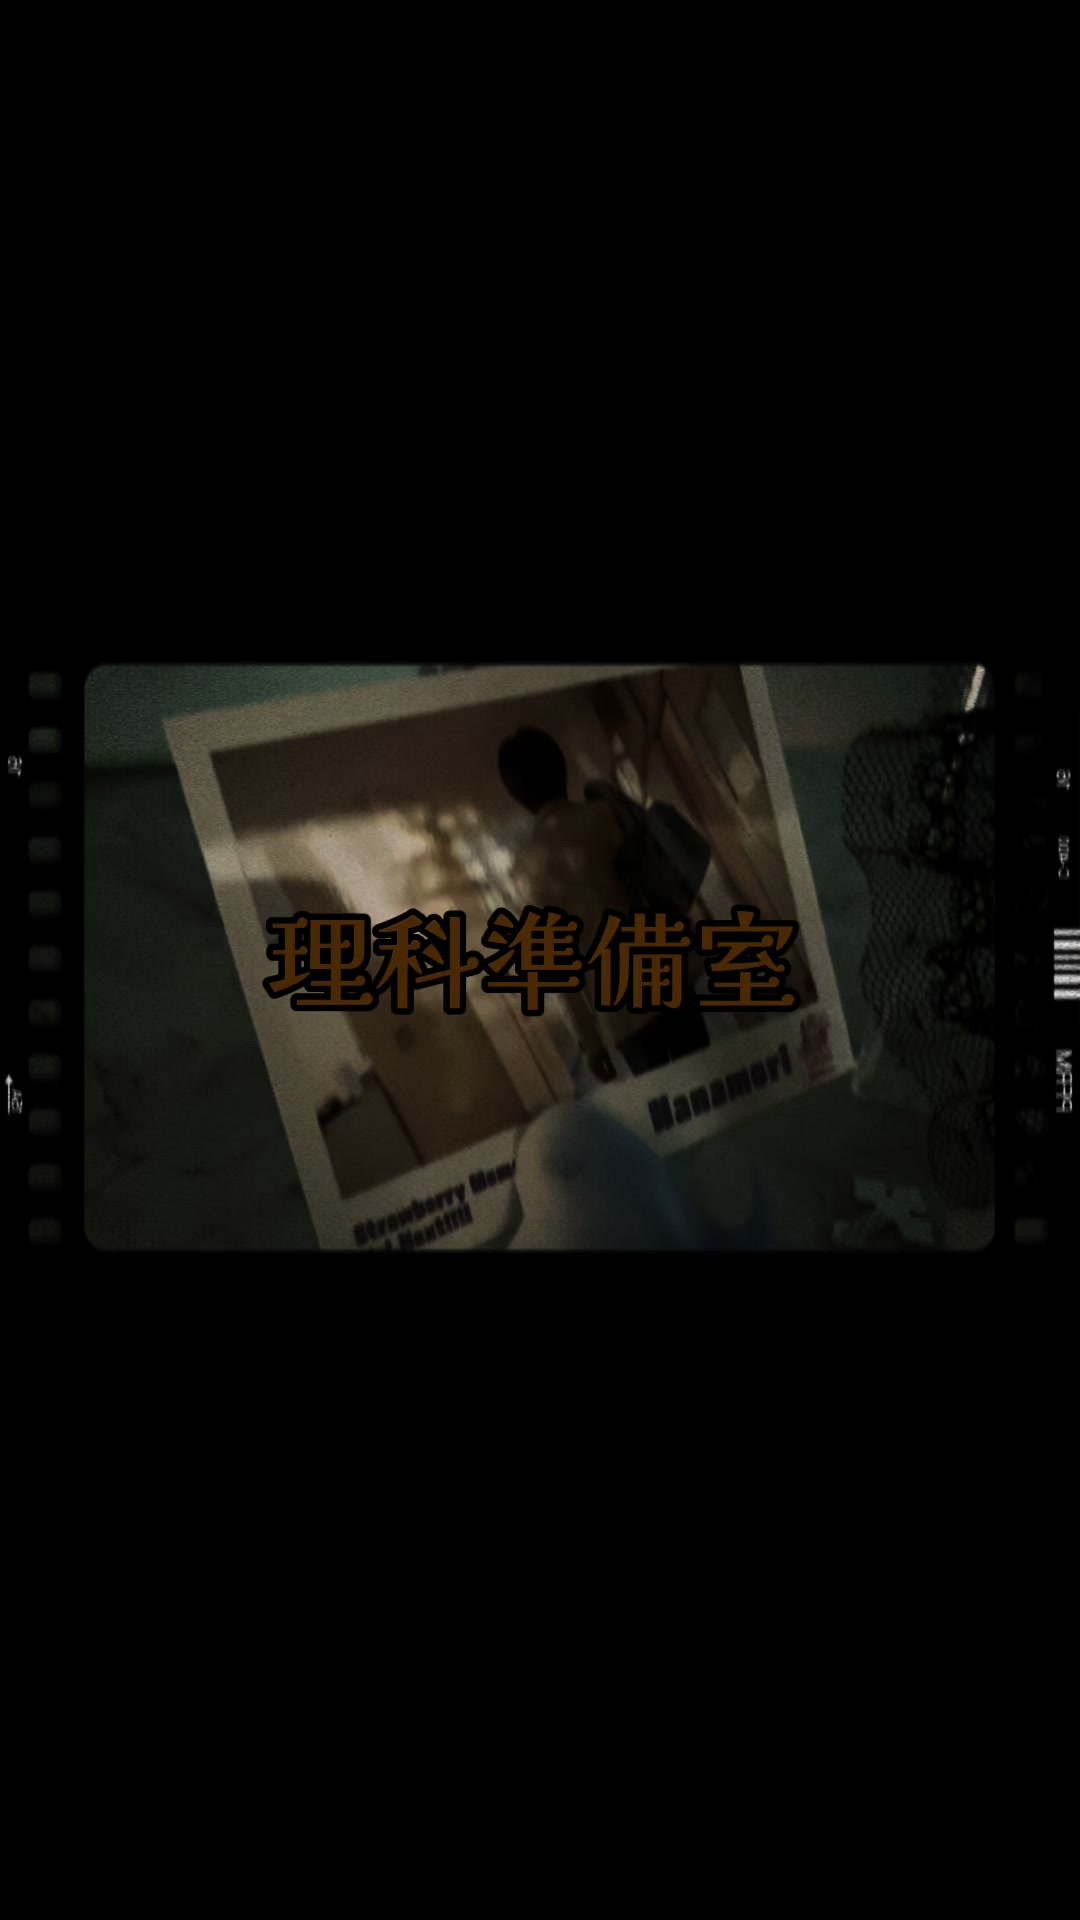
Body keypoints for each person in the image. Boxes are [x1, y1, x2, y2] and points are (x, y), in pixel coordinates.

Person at [497, 726, 711, 1082]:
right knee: (711, 1083)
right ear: (561, 767)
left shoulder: (523, 873)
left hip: (620, 1015)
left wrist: (591, 1043)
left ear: (518, 796)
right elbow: (659, 880)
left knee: (666, 1103)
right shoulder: (605, 816)